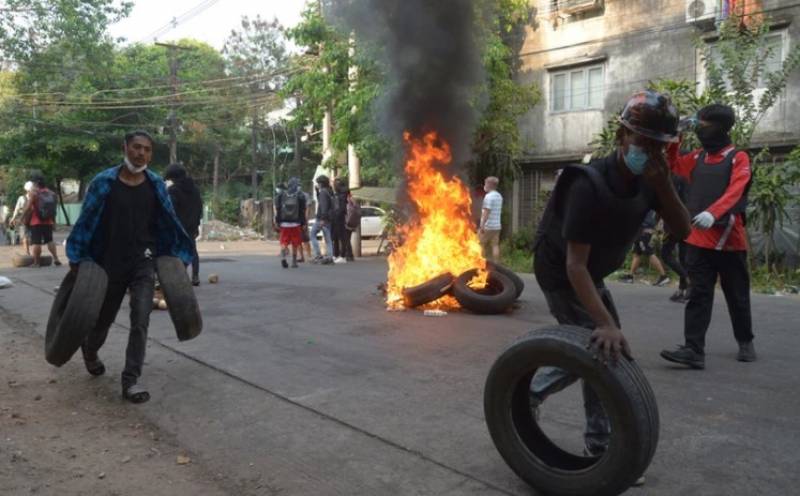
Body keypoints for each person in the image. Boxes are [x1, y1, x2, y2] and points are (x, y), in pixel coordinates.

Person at [530, 91, 691, 484]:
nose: (650, 154)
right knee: (597, 345)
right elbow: (574, 265)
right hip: (560, 271)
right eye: (643, 143)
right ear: (622, 136)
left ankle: (599, 446)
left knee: (606, 347)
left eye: (659, 147)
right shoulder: (587, 184)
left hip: (593, 270)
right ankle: (524, 393)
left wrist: (664, 186)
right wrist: (603, 322)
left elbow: (684, 230)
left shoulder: (653, 179)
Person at [66, 130, 194, 404]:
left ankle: (130, 380)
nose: (141, 154)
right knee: (103, 318)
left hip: (143, 262)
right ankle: (90, 350)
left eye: (147, 150)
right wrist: (77, 257)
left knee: (141, 319)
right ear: (125, 147)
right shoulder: (103, 182)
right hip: (108, 263)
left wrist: (175, 258)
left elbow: (168, 222)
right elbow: (86, 222)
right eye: (136, 147)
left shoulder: (156, 184)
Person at [660, 104, 755, 369]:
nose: (701, 132)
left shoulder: (738, 157)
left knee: (737, 295)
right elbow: (673, 165)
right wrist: (675, 137)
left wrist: (713, 213)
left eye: (705, 126)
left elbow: (737, 189)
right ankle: (693, 349)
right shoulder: (698, 158)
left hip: (729, 239)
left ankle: (745, 340)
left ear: (721, 128)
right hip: (698, 240)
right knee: (699, 294)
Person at [164, 163, 203, 286]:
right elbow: (199, 207)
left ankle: (180, 276)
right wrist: (196, 224)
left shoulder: (173, 190)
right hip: (191, 225)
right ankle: (195, 277)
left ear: (172, 177)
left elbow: (171, 209)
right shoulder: (195, 189)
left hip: (178, 226)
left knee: (177, 252)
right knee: (192, 250)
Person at [661, 175, 691, 302]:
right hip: (688, 220)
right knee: (683, 257)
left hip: (674, 222)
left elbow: (667, 200)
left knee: (665, 254)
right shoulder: (690, 178)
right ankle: (682, 289)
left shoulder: (673, 177)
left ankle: (688, 279)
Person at [620, 210, 670, 286]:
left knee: (649, 253)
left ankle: (664, 276)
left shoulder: (648, 204)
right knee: (637, 254)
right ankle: (630, 276)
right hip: (640, 232)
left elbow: (650, 220)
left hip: (644, 233)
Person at [24, 176, 62, 267]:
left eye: (33, 184)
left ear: (36, 184)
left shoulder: (34, 194)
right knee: (50, 241)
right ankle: (56, 258)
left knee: (36, 242)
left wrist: (21, 218)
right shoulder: (52, 193)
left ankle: (36, 263)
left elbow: (28, 207)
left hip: (36, 222)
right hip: (48, 221)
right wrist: (54, 222)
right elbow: (53, 210)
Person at [275, 177, 307, 268]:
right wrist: (303, 223)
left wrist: (277, 221)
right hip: (296, 223)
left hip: (284, 223)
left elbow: (278, 209)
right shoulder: (300, 196)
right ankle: (294, 261)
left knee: (284, 242)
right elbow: (302, 210)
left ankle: (283, 258)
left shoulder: (281, 195)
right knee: (295, 243)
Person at [310, 175, 334, 265]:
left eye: (318, 183)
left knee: (312, 234)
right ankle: (330, 257)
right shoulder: (329, 191)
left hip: (322, 218)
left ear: (321, 183)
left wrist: (322, 219)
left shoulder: (323, 192)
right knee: (328, 239)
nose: (317, 185)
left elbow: (323, 205)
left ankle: (318, 255)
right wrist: (317, 192)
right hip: (328, 218)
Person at [479, 176, 503, 262]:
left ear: (489, 185)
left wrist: (482, 225)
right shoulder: (499, 196)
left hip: (488, 226)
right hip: (497, 226)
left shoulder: (488, 197)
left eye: (485, 183)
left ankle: (480, 264)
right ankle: (496, 265)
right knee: (495, 245)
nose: (484, 185)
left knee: (480, 244)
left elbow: (486, 212)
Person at [331, 177, 354, 264]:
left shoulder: (342, 194)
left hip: (340, 218)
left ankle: (342, 256)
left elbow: (341, 208)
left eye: (335, 184)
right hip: (339, 218)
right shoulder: (341, 193)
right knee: (337, 237)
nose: (334, 186)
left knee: (341, 237)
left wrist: (336, 215)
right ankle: (337, 255)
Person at [10, 181, 34, 252]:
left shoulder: (21, 198)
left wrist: (13, 218)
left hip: (23, 220)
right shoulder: (35, 197)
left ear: (25, 189)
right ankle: (34, 253)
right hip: (33, 220)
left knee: (24, 237)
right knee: (33, 237)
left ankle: (27, 252)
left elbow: (16, 209)